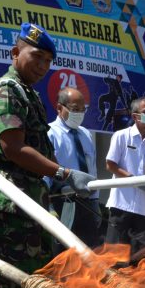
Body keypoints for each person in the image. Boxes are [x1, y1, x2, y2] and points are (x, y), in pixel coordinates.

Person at [0, 23, 94, 288]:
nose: (43, 67)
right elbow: (13, 148)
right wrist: (64, 173)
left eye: (48, 61)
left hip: (30, 199)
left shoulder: (26, 92)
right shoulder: (7, 91)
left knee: (39, 281)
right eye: (37, 57)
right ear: (16, 52)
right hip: (12, 201)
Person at [104, 97, 145, 256]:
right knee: (115, 256)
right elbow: (110, 164)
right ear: (134, 116)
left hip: (144, 208)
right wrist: (132, 179)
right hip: (121, 205)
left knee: (142, 258)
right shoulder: (121, 136)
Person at [48, 87, 101, 250]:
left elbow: (92, 169)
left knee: (89, 253)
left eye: (82, 109)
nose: (79, 113)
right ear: (59, 108)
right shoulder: (49, 133)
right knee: (65, 255)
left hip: (87, 203)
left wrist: (95, 201)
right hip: (61, 203)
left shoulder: (86, 134)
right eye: (74, 109)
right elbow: (43, 173)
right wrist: (48, 208)